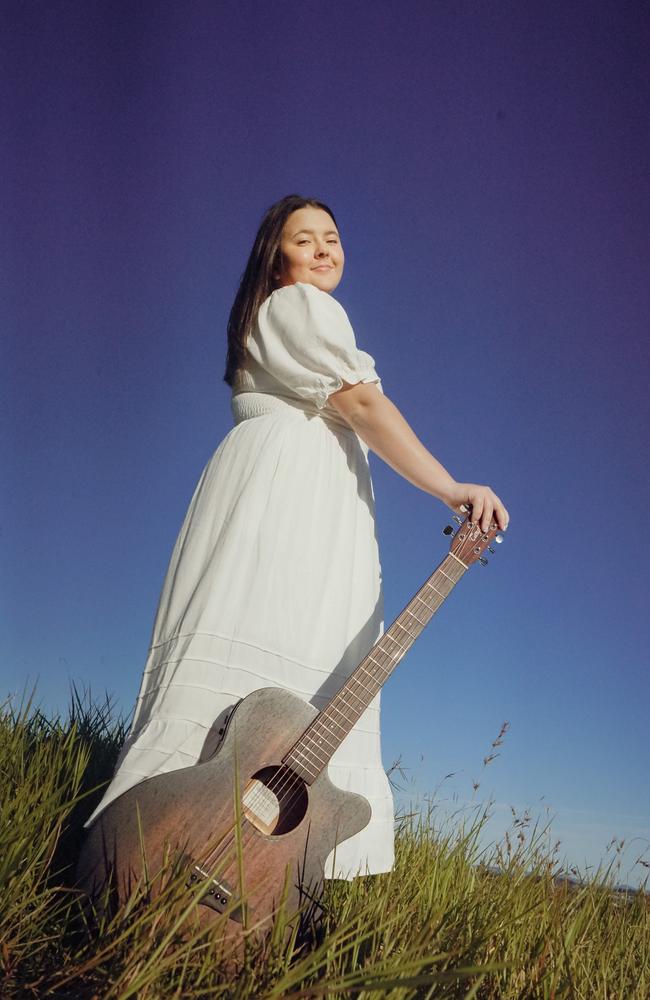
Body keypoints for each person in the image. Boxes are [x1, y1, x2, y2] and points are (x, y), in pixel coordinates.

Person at [84, 194, 509, 880]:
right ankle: (254, 871)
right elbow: (363, 403)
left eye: (332, 237)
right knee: (295, 666)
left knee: (257, 677)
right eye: (302, 239)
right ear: (274, 260)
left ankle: (156, 853)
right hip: (292, 502)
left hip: (282, 490)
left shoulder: (273, 318)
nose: (321, 249)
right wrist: (451, 487)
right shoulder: (299, 307)